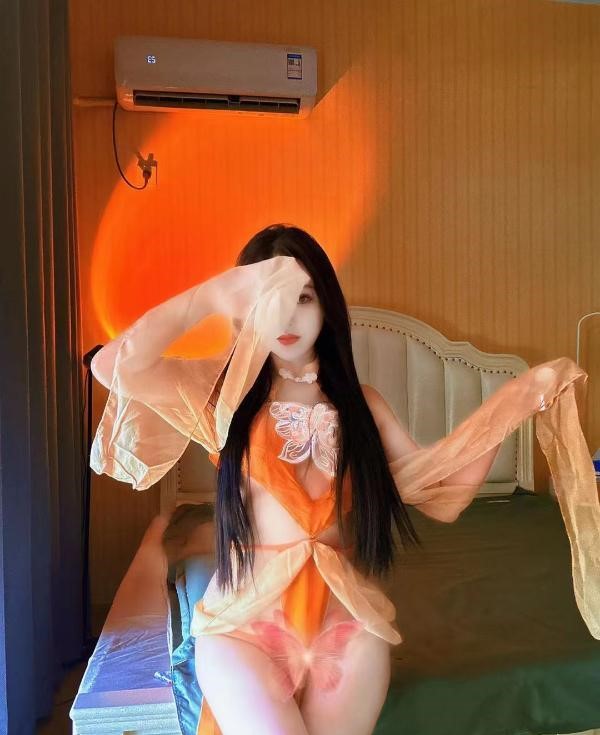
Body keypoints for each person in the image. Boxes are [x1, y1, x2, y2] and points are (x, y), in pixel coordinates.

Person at [90, 224, 600, 735]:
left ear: (327, 306)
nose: (289, 317)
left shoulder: (362, 405)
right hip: (242, 626)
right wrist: (215, 295)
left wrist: (517, 400)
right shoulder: (222, 398)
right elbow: (114, 367)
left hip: (346, 625)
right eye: (272, 301)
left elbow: (444, 492)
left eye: (304, 297)